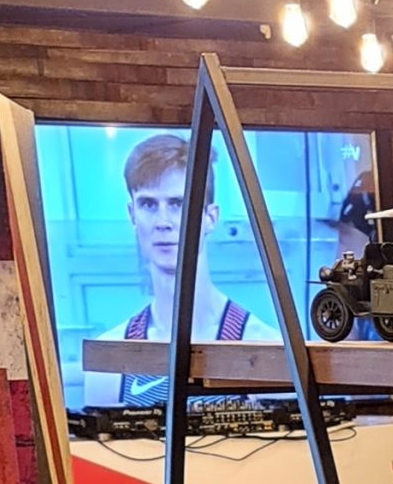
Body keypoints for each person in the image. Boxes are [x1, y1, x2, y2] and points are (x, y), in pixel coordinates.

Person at [92, 131, 277, 405]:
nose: (163, 222)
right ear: (132, 215)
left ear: (210, 217)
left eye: (178, 204)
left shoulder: (263, 349)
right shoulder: (110, 360)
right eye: (148, 204)